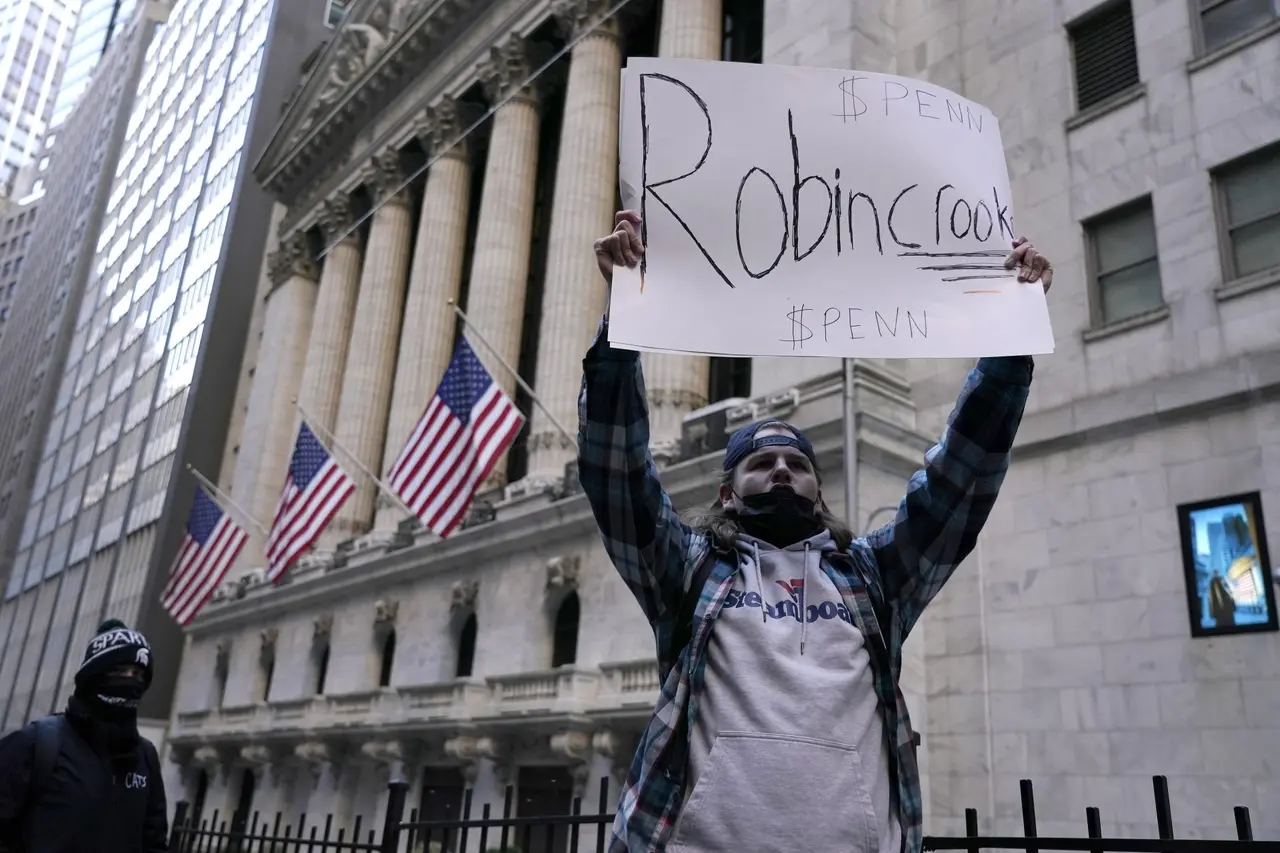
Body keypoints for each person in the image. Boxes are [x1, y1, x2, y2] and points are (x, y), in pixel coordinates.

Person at [579, 209, 1052, 853]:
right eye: (760, 462)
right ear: (726, 492)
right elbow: (619, 473)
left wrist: (1010, 341)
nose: (781, 471)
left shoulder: (874, 579)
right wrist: (622, 324)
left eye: (797, 464)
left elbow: (958, 483)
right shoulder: (685, 571)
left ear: (817, 489)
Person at [0, 619, 169, 853]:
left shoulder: (146, 758)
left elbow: (154, 843)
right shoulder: (35, 744)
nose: (130, 680)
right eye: (118, 671)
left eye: (138, 674)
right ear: (93, 676)